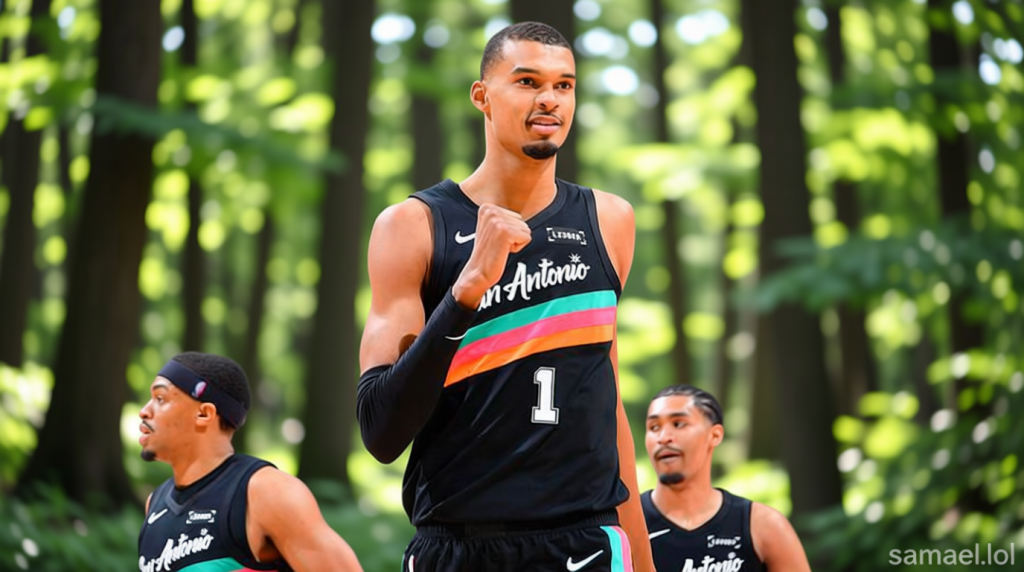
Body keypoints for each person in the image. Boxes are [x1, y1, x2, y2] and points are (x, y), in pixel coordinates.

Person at [356, 20, 655, 572]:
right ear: (482, 96)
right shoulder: (413, 226)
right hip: (457, 542)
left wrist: (642, 556)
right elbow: (381, 431)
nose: (549, 99)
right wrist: (465, 291)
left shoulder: (610, 220)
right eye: (527, 81)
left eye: (564, 85)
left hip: (585, 541)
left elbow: (606, 400)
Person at [137, 351, 363, 572]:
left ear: (204, 414)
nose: (144, 412)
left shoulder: (267, 493)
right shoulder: (155, 504)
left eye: (160, 399)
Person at [642, 385, 811, 571]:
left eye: (678, 424)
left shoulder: (763, 525)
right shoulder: (626, 524)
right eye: (654, 427)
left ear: (715, 435)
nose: (663, 437)